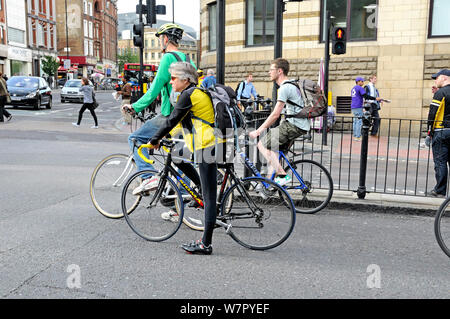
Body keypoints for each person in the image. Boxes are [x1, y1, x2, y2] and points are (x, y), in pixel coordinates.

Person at [149, 62, 219, 255]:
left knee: (210, 196)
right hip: (207, 144)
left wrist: (155, 139)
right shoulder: (194, 93)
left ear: (185, 80)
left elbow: (172, 119)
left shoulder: (188, 95)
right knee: (178, 158)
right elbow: (182, 123)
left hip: (208, 146)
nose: (170, 82)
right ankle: (201, 191)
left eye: (173, 78)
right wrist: (168, 138)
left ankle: (206, 244)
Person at [122, 23, 199, 194]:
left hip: (169, 114)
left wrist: (134, 106)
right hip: (186, 115)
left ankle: (149, 177)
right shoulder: (187, 59)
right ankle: (178, 204)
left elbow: (154, 90)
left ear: (165, 39)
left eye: (160, 39)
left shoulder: (167, 58)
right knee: (180, 158)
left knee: (136, 139)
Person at [248, 58, 309, 186]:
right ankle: (269, 185)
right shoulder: (292, 84)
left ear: (279, 71)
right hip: (299, 125)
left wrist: (259, 130)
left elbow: (275, 114)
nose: (269, 72)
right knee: (274, 152)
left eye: (271, 70)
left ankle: (282, 176)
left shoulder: (284, 88)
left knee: (262, 145)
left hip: (293, 125)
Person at [427, 69, 450, 198]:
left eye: (437, 78)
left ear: (445, 78)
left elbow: (433, 113)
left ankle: (440, 190)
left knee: (440, 162)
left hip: (441, 131)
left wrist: (429, 132)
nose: (435, 81)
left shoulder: (440, 93)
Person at [351, 76, 381, 141]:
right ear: (358, 82)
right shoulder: (360, 88)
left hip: (353, 106)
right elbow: (366, 96)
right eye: (362, 81)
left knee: (355, 121)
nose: (363, 82)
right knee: (359, 122)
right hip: (358, 106)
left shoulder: (353, 88)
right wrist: (375, 98)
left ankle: (355, 136)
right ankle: (358, 136)